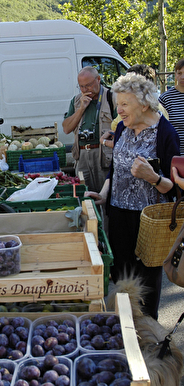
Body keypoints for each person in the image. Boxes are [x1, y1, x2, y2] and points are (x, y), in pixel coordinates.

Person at [85, 73, 180, 320]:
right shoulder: (121, 129)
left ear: (144, 104)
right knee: (121, 277)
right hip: (118, 215)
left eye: (125, 104)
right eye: (118, 104)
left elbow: (178, 189)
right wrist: (105, 194)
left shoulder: (165, 134)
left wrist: (154, 178)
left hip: (149, 221)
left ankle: (149, 335)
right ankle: (124, 328)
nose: (119, 110)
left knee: (147, 282)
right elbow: (115, 170)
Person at [62, 66, 115, 192]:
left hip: (103, 155)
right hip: (82, 156)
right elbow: (66, 128)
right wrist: (81, 109)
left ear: (98, 79)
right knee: (85, 195)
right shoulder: (76, 101)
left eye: (89, 85)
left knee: (105, 195)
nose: (85, 89)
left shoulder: (112, 98)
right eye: (81, 86)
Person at [103, 64, 169, 148]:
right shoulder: (124, 124)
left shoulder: (162, 124)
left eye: (130, 82)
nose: (119, 111)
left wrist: (105, 142)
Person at [159, 58, 184, 155]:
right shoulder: (166, 98)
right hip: (174, 153)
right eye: (179, 73)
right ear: (175, 74)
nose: (182, 77)